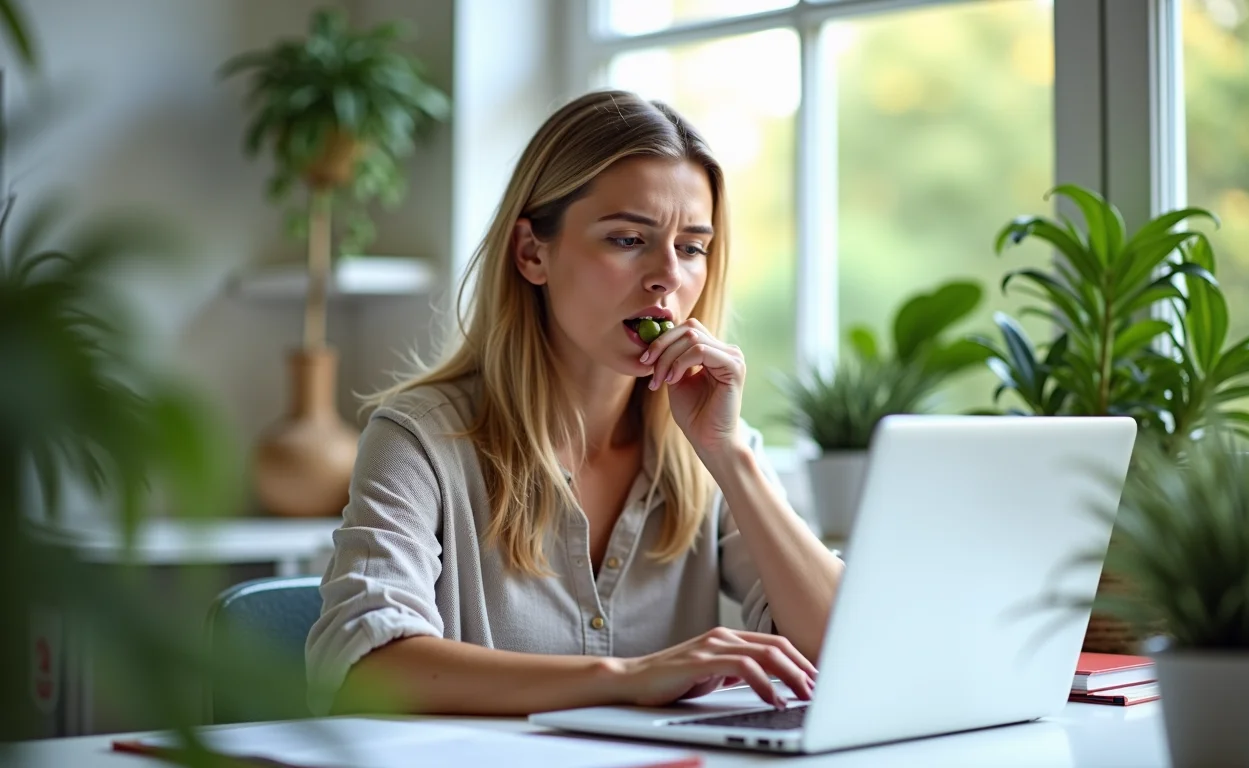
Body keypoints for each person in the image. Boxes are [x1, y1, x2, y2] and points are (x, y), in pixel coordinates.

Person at [304, 89, 845, 718]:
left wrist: (730, 459)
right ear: (533, 252)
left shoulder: (713, 446)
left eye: (692, 247)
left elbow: (849, 647)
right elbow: (367, 667)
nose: (667, 275)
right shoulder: (420, 440)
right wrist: (627, 676)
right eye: (626, 239)